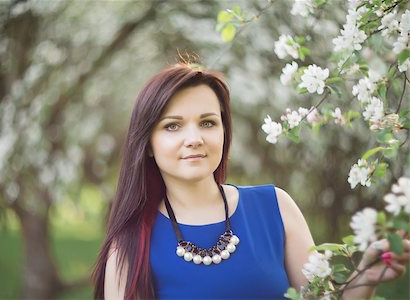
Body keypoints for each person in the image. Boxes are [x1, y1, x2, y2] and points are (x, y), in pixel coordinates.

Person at [92, 63, 409, 299]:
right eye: (173, 126)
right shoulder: (130, 243)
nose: (194, 139)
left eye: (207, 123)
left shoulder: (275, 207)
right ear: (148, 142)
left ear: (224, 132)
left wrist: (365, 276)